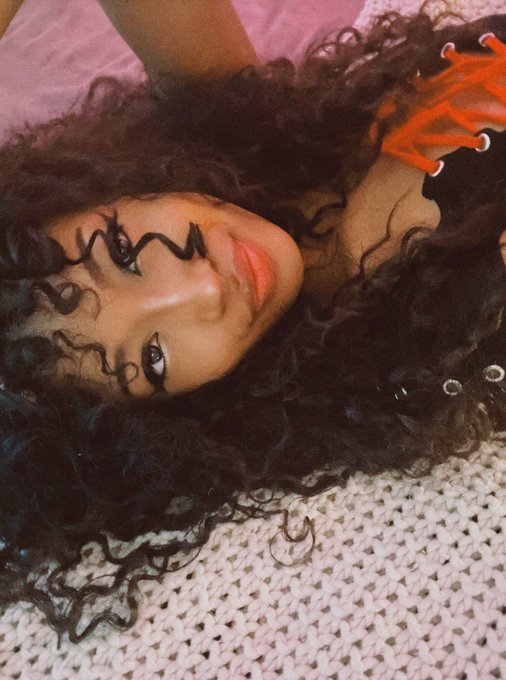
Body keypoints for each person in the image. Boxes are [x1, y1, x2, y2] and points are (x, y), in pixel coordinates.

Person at [1, 0, 506, 642]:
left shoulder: (244, 132)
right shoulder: (440, 321)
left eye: (123, 253)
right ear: (178, 416)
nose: (203, 288)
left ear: (101, 192)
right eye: (153, 359)